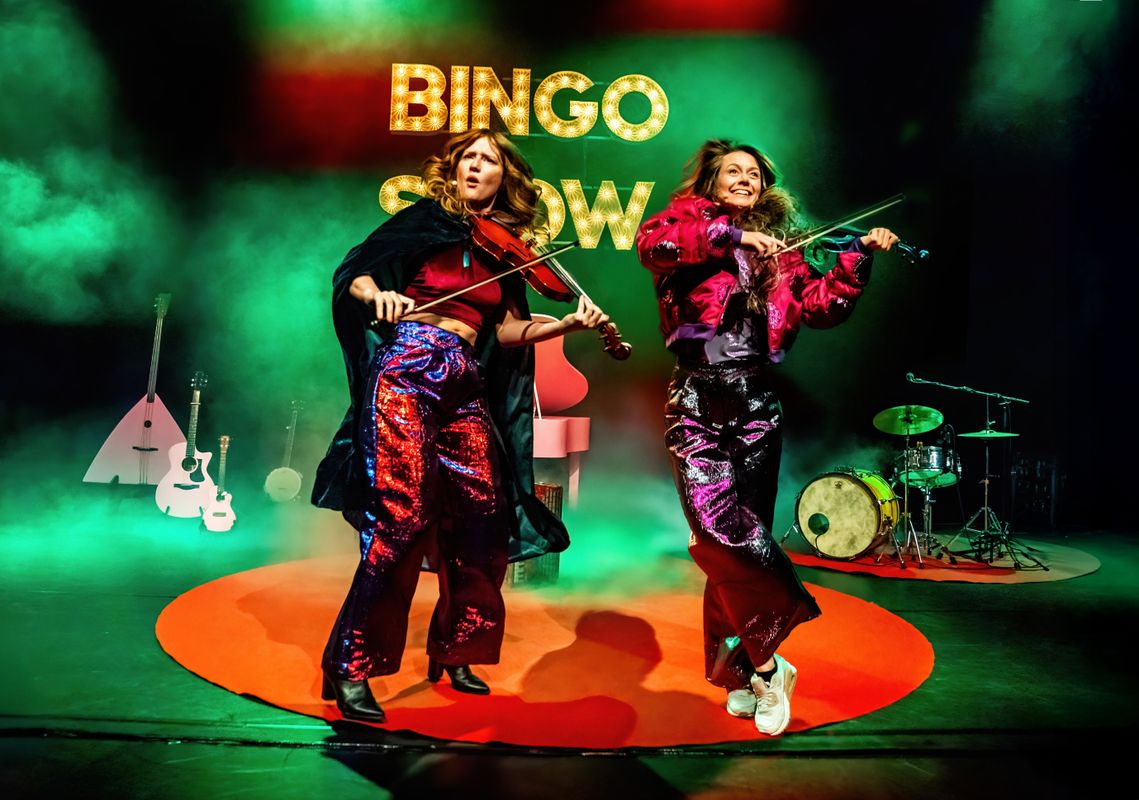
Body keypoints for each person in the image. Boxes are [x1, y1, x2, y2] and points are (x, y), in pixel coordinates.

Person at [311, 128, 609, 723]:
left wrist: (566, 326)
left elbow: (508, 330)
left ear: (505, 176)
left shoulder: (506, 249)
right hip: (407, 367)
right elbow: (358, 272)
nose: (475, 166)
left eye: (488, 160)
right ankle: (351, 664)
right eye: (467, 158)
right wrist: (378, 297)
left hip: (465, 379)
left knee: (482, 516)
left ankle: (458, 650)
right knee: (401, 518)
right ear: (453, 170)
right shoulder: (424, 222)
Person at [635, 139, 898, 735]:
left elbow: (820, 307)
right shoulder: (682, 223)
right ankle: (770, 664)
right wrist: (733, 237)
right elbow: (653, 247)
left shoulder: (785, 248)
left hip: (755, 400)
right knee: (717, 532)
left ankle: (740, 675)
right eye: (733, 171)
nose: (745, 179)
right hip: (695, 396)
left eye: (754, 173)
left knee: (738, 542)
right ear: (710, 181)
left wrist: (856, 258)